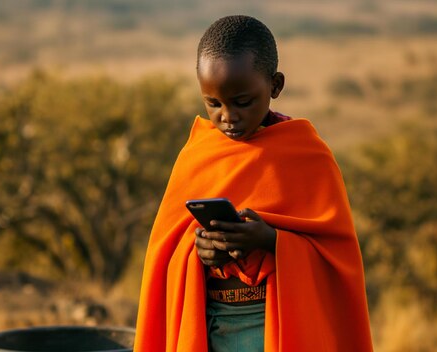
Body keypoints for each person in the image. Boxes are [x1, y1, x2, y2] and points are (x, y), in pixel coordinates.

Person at [134, 15, 373, 351]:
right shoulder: (197, 154)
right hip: (211, 326)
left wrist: (270, 240)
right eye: (213, 104)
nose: (227, 117)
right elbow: (166, 252)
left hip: (278, 325)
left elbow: (338, 259)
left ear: (275, 85)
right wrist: (199, 250)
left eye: (242, 102)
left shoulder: (307, 155)